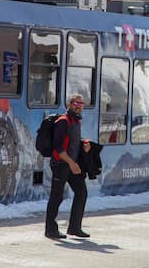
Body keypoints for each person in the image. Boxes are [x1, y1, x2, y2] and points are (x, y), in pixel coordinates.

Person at [45, 94, 92, 239]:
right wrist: (72, 163)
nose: (78, 105)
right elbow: (58, 147)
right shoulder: (63, 121)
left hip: (71, 164)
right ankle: (50, 230)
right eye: (75, 103)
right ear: (69, 104)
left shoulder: (76, 121)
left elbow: (72, 141)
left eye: (81, 103)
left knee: (81, 192)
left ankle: (74, 227)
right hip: (60, 164)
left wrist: (84, 145)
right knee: (56, 196)